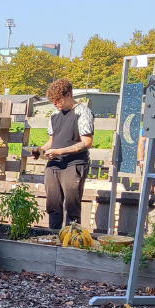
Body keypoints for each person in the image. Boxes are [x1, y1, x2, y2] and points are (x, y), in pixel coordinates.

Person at [39, 79, 94, 230]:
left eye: (58, 100)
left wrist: (60, 151)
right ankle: (53, 236)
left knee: (71, 207)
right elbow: (52, 141)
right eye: (53, 101)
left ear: (68, 95)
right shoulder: (54, 114)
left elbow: (87, 142)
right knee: (53, 206)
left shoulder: (82, 112)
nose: (55, 104)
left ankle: (71, 239)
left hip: (74, 164)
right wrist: (40, 150)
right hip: (54, 164)